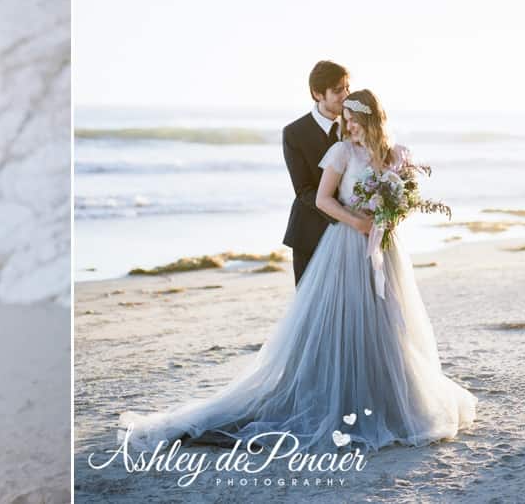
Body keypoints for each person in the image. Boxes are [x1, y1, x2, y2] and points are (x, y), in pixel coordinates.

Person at [120, 89, 477, 454]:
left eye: (354, 120)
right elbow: (322, 199)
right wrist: (357, 222)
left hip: (385, 248)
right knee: (347, 323)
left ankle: (392, 400)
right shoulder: (341, 152)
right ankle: (341, 398)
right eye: (346, 120)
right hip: (347, 246)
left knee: (386, 322)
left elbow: (406, 198)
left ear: (372, 120)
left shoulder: (397, 154)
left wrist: (391, 215)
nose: (348, 126)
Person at [282, 60, 351, 286]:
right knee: (309, 307)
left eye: (347, 88)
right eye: (338, 90)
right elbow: (304, 190)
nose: (346, 95)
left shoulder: (355, 128)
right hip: (309, 233)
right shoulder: (294, 133)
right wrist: (344, 216)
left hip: (352, 235)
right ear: (317, 93)